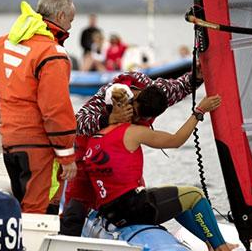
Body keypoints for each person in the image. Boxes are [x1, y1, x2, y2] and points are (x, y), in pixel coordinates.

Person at [80, 87, 245, 251]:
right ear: (128, 108)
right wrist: (199, 111)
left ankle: (211, 243)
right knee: (194, 195)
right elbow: (176, 140)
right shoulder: (133, 132)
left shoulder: (94, 139)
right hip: (133, 209)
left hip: (111, 212)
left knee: (176, 198)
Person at [61, 68, 204, 234]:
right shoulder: (111, 93)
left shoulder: (158, 92)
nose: (136, 121)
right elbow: (77, 123)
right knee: (76, 208)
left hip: (120, 160)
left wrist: (197, 77)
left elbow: (181, 86)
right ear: (133, 98)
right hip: (89, 157)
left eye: (143, 119)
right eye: (135, 113)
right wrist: (108, 118)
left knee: (138, 203)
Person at [0, 0, 77, 214]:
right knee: (37, 210)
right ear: (60, 16)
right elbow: (56, 110)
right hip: (39, 147)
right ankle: (28, 248)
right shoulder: (52, 54)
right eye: (70, 21)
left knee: (22, 201)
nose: (70, 26)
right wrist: (67, 156)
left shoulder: (7, 41)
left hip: (10, 141)